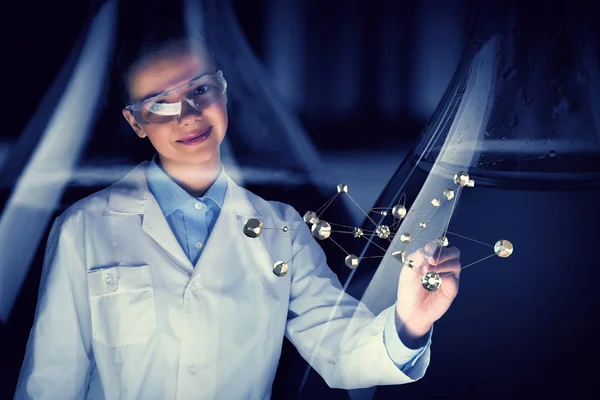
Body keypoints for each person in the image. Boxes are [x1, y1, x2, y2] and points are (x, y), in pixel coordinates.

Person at [14, 29, 462, 399]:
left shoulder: (281, 230)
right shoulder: (84, 228)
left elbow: (340, 348)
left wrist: (410, 321)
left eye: (200, 90)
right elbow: (50, 383)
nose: (188, 114)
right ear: (135, 122)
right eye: (160, 103)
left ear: (224, 90)